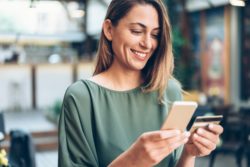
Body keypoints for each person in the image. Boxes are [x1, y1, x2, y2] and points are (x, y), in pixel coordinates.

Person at [58, 0, 223, 166]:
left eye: (155, 35)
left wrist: (189, 153)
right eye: (137, 31)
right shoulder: (81, 97)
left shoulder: (168, 90)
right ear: (109, 30)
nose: (147, 44)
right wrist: (132, 161)